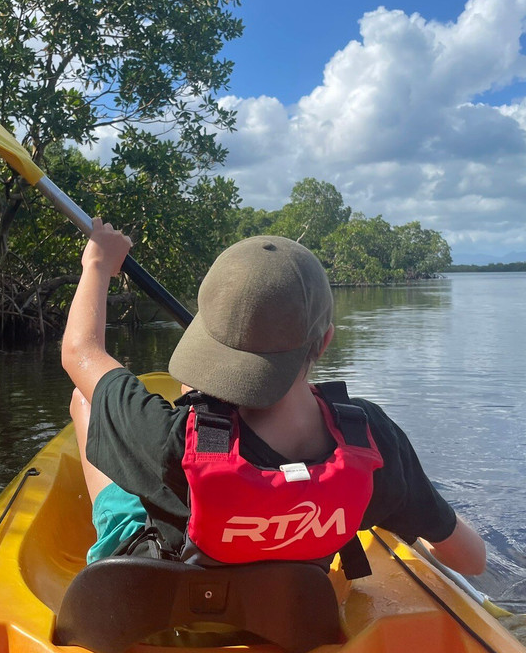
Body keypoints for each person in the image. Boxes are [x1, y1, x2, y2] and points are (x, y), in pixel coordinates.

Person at [61, 218, 486, 577]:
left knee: (85, 401)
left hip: (169, 597)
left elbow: (80, 352)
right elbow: (473, 560)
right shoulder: (371, 438)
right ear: (325, 342)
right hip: (291, 610)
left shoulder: (168, 438)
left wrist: (97, 264)